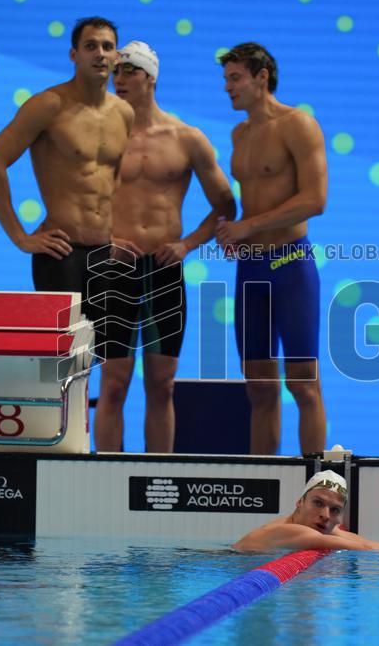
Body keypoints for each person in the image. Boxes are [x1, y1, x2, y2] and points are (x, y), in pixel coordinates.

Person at [95, 41, 236, 452]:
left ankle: (157, 479)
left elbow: (225, 205)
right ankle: (103, 478)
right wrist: (105, 241)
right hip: (113, 271)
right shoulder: (101, 137)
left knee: (162, 384)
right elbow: (78, 200)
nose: (118, 80)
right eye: (115, 73)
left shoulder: (186, 138)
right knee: (114, 384)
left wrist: (187, 244)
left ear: (150, 78)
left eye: (128, 72)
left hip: (162, 272)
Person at [0, 16, 134, 352]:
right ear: (73, 54)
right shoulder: (48, 105)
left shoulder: (124, 112)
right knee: (62, 362)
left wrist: (118, 230)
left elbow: (113, 179)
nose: (100, 54)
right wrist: (20, 237)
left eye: (107, 47)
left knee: (103, 362)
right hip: (62, 254)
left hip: (105, 254)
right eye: (90, 46)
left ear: (117, 55)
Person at [216, 42, 327, 456]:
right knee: (259, 390)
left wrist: (249, 225)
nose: (227, 88)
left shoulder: (298, 124)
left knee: (303, 384)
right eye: (225, 79)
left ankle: (317, 483)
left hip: (290, 264)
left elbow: (315, 200)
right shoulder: (239, 133)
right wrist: (234, 232)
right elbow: (252, 203)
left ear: (262, 78)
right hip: (251, 271)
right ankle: (266, 482)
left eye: (235, 78)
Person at [233, 470, 379, 552]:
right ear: (299, 502)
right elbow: (366, 548)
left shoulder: (319, 526)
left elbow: (365, 542)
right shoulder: (288, 530)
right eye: (318, 503)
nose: (325, 515)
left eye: (335, 510)